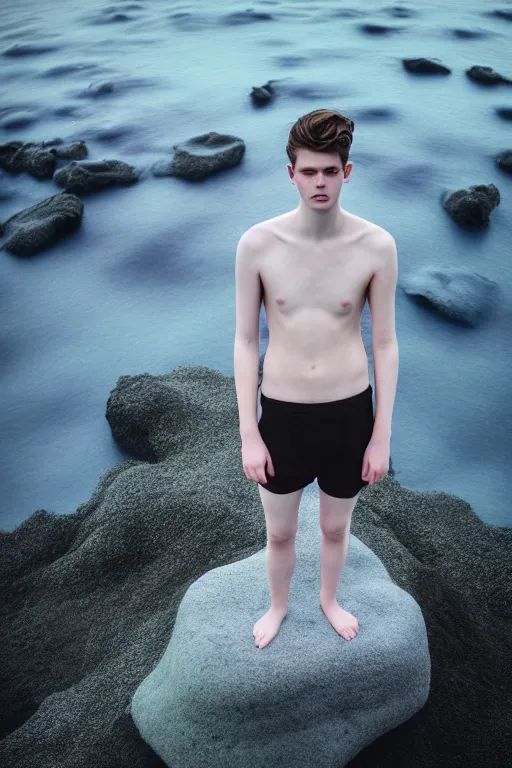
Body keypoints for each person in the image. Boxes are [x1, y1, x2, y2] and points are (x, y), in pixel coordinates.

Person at [233, 108, 399, 649]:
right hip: (281, 412)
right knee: (279, 532)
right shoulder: (257, 244)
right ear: (291, 174)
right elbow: (244, 341)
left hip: (349, 412)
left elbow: (386, 343)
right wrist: (249, 433)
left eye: (330, 171)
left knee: (333, 527)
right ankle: (278, 606)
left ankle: (328, 600)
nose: (320, 183)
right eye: (309, 172)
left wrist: (381, 436)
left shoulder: (376, 246)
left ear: (347, 172)